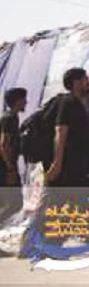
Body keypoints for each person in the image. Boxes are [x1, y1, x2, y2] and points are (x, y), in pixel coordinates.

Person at [47, 67, 89, 188]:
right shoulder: (68, 103)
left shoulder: (78, 105)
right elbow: (61, 132)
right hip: (65, 169)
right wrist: (57, 163)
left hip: (75, 167)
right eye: (86, 79)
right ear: (76, 82)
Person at [0, 87, 27, 219]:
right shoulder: (9, 118)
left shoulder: (11, 117)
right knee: (15, 203)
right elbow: (4, 144)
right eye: (23, 100)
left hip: (7, 166)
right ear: (18, 101)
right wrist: (10, 168)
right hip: (5, 167)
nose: (26, 102)